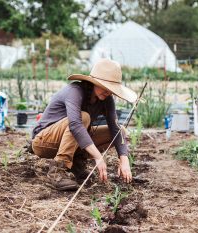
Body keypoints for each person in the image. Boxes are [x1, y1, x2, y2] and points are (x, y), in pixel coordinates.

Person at [31, 58, 137, 191]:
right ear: (94, 82)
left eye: (111, 89)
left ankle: (76, 165)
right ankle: (57, 170)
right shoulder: (75, 91)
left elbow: (115, 129)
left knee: (121, 130)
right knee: (83, 118)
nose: (108, 92)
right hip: (43, 141)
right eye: (105, 87)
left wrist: (124, 160)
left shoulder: (107, 99)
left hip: (68, 141)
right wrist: (98, 157)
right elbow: (75, 124)